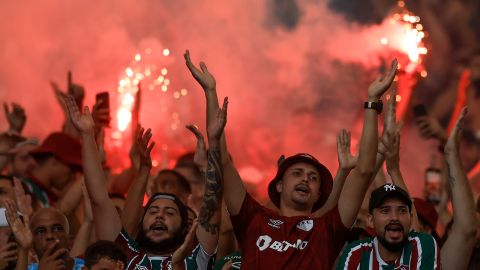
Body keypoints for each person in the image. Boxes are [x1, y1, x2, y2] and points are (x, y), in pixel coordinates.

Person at [184, 49, 398, 269]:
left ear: (318, 195)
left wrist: (372, 102)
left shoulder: (327, 229)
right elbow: (224, 162)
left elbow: (363, 172)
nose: (305, 179)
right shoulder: (253, 218)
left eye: (313, 178)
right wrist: (210, 92)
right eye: (297, 173)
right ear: (278, 185)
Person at [63, 93, 227, 269]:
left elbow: (213, 201)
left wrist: (214, 144)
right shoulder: (124, 256)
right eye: (153, 211)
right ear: (141, 222)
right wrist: (87, 136)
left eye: (170, 213)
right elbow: (100, 199)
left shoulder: (196, 258)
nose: (159, 215)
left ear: (184, 227)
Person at [337, 183, 441, 269]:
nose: (395, 217)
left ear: (411, 219)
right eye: (385, 211)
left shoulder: (423, 245)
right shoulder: (355, 253)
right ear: (371, 220)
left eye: (402, 211)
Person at [21, 132, 82, 208]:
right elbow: (61, 211)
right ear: (55, 160)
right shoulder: (22, 188)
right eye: (72, 168)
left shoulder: (46, 196)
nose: (73, 176)